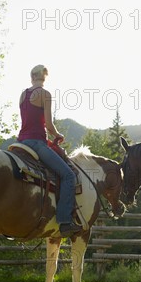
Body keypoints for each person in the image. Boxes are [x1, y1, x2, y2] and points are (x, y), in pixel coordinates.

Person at [17, 65, 82, 238]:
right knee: (68, 175)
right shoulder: (45, 94)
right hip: (37, 143)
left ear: (32, 76)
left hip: (20, 141)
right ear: (45, 77)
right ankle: (65, 222)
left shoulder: (23, 94)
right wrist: (58, 135)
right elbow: (48, 124)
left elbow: (26, 120)